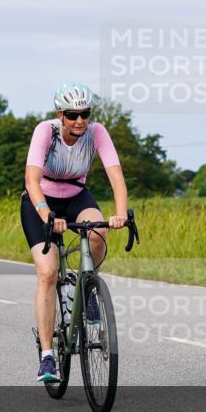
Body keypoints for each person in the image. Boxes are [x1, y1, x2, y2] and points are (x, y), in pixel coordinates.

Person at [22, 82, 129, 382]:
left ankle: (83, 286)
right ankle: (46, 356)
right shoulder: (46, 131)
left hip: (76, 195)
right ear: (60, 114)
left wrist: (120, 213)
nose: (80, 120)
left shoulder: (97, 133)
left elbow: (116, 178)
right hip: (40, 200)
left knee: (98, 233)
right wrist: (46, 215)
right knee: (47, 272)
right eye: (72, 115)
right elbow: (31, 180)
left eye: (85, 113)